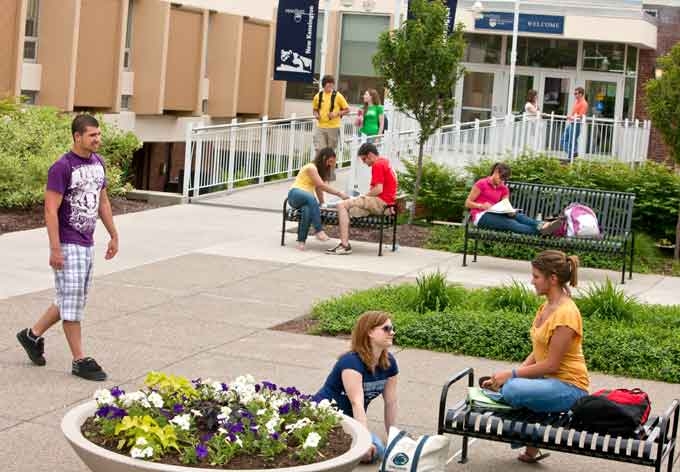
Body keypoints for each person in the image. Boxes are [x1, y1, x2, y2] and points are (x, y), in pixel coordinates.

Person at [16, 114, 118, 381]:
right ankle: (79, 360)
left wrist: (114, 235)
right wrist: (55, 248)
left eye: (99, 134)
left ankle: (31, 335)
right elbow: (50, 210)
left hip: (87, 242)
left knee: (70, 298)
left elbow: (103, 202)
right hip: (67, 242)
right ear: (77, 136)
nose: (98, 139)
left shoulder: (98, 163)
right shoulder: (62, 167)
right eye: (92, 135)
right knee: (71, 300)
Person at [481, 250, 590, 463]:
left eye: (536, 276)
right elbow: (538, 351)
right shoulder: (547, 306)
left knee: (512, 390)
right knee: (508, 385)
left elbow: (551, 364)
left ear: (553, 279)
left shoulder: (566, 314)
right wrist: (511, 376)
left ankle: (507, 399)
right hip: (549, 382)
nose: (532, 281)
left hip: (569, 388)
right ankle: (532, 447)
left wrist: (511, 377)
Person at [314, 311, 398, 464]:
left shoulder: (389, 363)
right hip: (325, 416)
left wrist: (394, 439)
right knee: (372, 451)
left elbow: (390, 403)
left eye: (393, 328)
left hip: (351, 421)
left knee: (379, 451)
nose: (392, 332)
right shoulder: (351, 363)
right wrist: (364, 443)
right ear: (370, 332)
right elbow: (356, 403)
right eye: (386, 329)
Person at [326, 143, 397, 255]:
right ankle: (344, 242)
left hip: (381, 202)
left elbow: (378, 189)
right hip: (387, 204)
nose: (364, 163)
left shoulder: (377, 165)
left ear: (370, 155)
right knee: (351, 209)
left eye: (364, 159)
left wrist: (362, 197)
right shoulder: (385, 162)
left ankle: (345, 246)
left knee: (341, 205)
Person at [465, 162, 561, 235]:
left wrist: (510, 211)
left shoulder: (503, 188)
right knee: (510, 223)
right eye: (501, 178)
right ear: (495, 172)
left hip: (495, 213)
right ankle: (543, 230)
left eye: (504, 179)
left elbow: (505, 205)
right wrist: (481, 205)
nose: (502, 181)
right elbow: (467, 203)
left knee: (519, 216)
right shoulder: (481, 183)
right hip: (481, 216)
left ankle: (542, 225)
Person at [287, 148, 349, 250]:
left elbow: (318, 188)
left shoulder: (318, 171)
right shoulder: (311, 167)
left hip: (307, 199)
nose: (330, 165)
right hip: (295, 194)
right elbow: (321, 185)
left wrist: (322, 203)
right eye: (330, 162)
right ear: (324, 158)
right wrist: (339, 193)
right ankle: (318, 230)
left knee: (307, 210)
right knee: (311, 198)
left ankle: (301, 241)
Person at [312, 75, 350, 181]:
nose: (330, 87)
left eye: (332, 85)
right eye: (328, 85)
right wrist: (316, 115)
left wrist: (336, 113)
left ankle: (331, 175)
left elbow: (347, 110)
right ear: (324, 85)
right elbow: (315, 109)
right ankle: (320, 174)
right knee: (320, 151)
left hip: (333, 127)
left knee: (330, 152)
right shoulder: (318, 96)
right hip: (320, 126)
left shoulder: (337, 96)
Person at [561, 87, 589, 159]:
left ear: (581, 94)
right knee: (563, 140)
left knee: (571, 141)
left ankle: (572, 157)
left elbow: (581, 116)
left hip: (576, 124)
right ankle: (573, 153)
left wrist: (571, 117)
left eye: (576, 93)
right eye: (574, 93)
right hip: (572, 123)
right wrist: (571, 117)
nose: (575, 95)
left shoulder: (584, 104)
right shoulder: (577, 102)